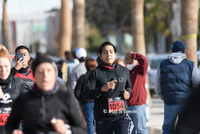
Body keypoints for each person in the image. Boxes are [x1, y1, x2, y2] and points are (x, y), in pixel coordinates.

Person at [5, 55, 87, 134]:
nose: (45, 75)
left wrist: (66, 130)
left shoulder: (65, 99)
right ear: (34, 75)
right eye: (40, 71)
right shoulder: (23, 100)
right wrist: (13, 131)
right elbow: (10, 125)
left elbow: (82, 130)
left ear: (55, 74)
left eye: (49, 70)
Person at [83, 41, 133, 134]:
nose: (108, 54)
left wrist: (128, 93)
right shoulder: (95, 73)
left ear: (115, 54)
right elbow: (86, 94)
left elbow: (129, 86)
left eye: (111, 52)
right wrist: (102, 89)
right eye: (105, 52)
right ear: (100, 56)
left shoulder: (124, 71)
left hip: (121, 116)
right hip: (103, 118)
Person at [155, 40, 200, 134]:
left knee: (167, 128)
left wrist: (164, 98)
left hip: (170, 102)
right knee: (187, 128)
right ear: (184, 51)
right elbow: (197, 83)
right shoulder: (190, 64)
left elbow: (157, 85)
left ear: (171, 51)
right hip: (186, 102)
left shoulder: (162, 64)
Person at [0, 45, 26, 134]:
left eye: (6, 66)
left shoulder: (18, 83)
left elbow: (28, 110)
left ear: (10, 65)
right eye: (0, 67)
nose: (3, 70)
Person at [125, 51, 149, 134]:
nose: (129, 61)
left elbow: (144, 60)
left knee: (140, 130)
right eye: (127, 59)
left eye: (131, 59)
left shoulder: (140, 69)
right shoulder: (125, 71)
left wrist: (133, 54)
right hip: (127, 105)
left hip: (138, 105)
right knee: (131, 131)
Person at [74, 58, 96, 134]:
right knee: (99, 121)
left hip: (86, 103)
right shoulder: (98, 77)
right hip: (98, 102)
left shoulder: (82, 77)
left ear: (86, 66)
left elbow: (76, 92)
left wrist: (81, 99)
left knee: (89, 122)